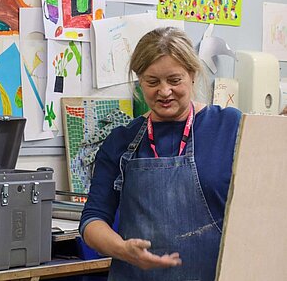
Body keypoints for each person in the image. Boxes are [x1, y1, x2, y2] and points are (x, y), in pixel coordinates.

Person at [79, 27, 242, 281]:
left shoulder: (231, 128)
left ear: (193, 75)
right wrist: (123, 250)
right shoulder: (121, 141)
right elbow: (92, 222)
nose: (164, 92)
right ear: (139, 80)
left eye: (174, 80)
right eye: (152, 82)